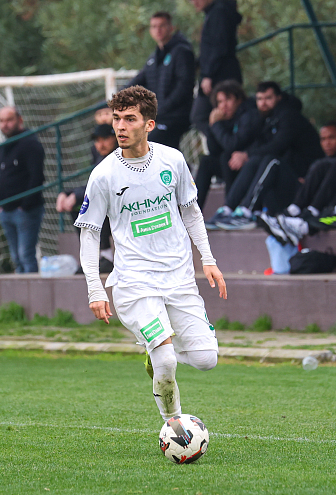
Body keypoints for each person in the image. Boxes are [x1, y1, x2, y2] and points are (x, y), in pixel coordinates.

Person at [75, 86, 227, 421]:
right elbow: (90, 232)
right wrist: (95, 288)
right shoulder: (103, 175)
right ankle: (175, 425)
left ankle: (155, 350)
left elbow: (191, 211)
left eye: (130, 119)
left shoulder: (172, 160)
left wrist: (208, 259)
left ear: (149, 124)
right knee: (166, 360)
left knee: (206, 359)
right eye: (117, 118)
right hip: (134, 283)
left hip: (179, 277)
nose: (120, 126)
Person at [206, 81, 324, 229]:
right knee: (253, 160)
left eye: (268, 98)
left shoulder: (289, 117)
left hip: (303, 181)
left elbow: (278, 146)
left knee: (270, 161)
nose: (263, 103)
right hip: (283, 180)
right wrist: (215, 126)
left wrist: (246, 155)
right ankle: (228, 209)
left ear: (279, 98)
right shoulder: (267, 118)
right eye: (260, 99)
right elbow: (249, 147)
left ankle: (247, 212)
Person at [128, 11, 195, 150]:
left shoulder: (182, 52)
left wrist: (162, 107)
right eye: (154, 26)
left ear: (171, 28)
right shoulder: (154, 58)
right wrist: (116, 98)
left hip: (177, 116)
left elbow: (185, 86)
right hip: (161, 116)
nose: (158, 30)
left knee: (151, 146)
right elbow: (138, 81)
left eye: (162, 26)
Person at [56, 123, 117, 273]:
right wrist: (67, 193)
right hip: (109, 207)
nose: (100, 144)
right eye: (97, 140)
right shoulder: (99, 158)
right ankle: (94, 256)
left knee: (95, 204)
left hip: (123, 210)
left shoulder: (119, 157)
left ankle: (107, 256)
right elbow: (91, 185)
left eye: (105, 139)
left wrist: (75, 195)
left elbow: (103, 186)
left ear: (115, 138)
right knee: (78, 208)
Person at [0, 106, 45, 273]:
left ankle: (33, 289)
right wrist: (1, 205)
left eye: (9, 120)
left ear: (19, 120)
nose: (5, 125)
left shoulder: (30, 144)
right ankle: (20, 291)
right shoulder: (4, 147)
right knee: (16, 257)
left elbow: (37, 177)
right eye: (1, 121)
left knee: (26, 255)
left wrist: (25, 205)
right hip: (6, 210)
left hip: (25, 211)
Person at [195, 80, 258, 210]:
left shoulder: (248, 114)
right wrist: (212, 126)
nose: (224, 105)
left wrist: (216, 126)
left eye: (228, 100)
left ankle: (229, 208)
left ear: (239, 99)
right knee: (207, 161)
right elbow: (214, 150)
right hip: (232, 163)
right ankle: (193, 212)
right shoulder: (225, 118)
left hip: (250, 163)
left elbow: (233, 145)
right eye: (220, 102)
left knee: (226, 157)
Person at [189, 0, 243, 137]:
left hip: (220, 76)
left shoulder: (219, 12)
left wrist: (208, 74)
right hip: (221, 74)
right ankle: (223, 143)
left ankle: (222, 144)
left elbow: (219, 47)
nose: (194, 2)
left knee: (201, 116)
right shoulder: (216, 12)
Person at [284, 121, 336, 219]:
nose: (327, 143)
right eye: (323, 139)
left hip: (334, 205)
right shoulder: (320, 163)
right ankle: (294, 209)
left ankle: (310, 210)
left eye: (331, 138)